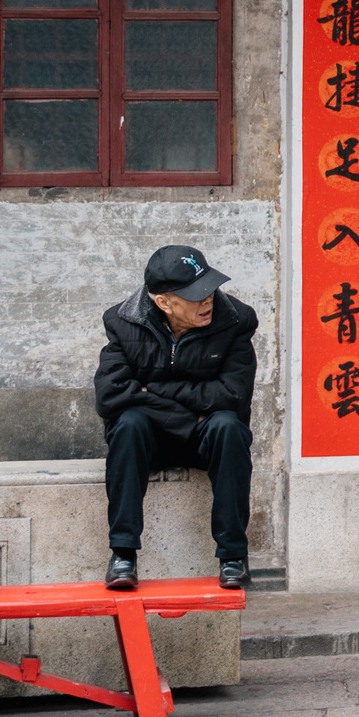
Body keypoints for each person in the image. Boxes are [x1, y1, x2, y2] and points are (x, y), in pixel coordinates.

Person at [96, 245, 259, 592]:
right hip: (154, 437)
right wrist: (186, 416)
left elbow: (232, 395)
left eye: (210, 288)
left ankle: (233, 556)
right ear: (164, 303)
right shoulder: (123, 322)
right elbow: (111, 395)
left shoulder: (236, 321)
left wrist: (151, 392)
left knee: (229, 426)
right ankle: (123, 554)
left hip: (207, 436)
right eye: (196, 295)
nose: (208, 300)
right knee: (128, 425)